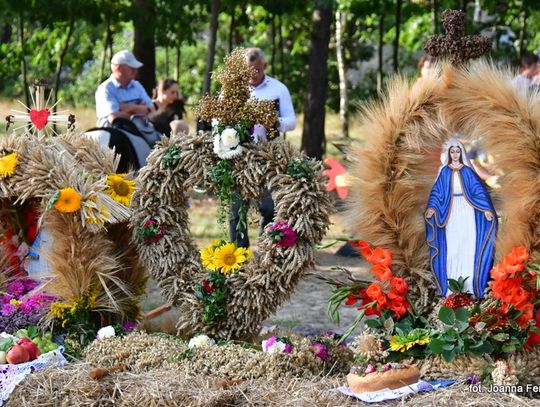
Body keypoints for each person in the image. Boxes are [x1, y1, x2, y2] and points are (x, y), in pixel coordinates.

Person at [229, 47, 296, 248]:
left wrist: (274, 122)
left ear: (264, 66)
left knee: (269, 206)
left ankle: (266, 249)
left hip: (269, 155)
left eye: (257, 70)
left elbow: (291, 121)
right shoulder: (231, 89)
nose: (252, 74)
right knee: (237, 209)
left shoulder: (278, 89)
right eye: (248, 70)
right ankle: (238, 256)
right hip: (238, 155)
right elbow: (216, 120)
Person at [425, 138, 497, 298]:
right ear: (448, 154)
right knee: (452, 249)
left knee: (468, 247)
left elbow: (478, 191)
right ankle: (450, 287)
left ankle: (471, 286)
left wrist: (485, 209)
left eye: (458, 151)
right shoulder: (444, 172)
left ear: (461, 152)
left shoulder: (467, 172)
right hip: (450, 214)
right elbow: (437, 193)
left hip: (468, 212)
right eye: (452, 151)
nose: (455, 154)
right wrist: (431, 208)